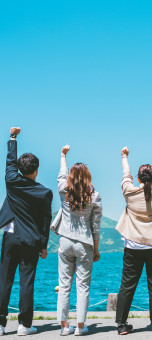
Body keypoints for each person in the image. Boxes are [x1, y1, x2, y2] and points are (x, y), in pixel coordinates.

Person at [115, 146, 152, 336]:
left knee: (127, 285)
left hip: (132, 246)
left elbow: (126, 176)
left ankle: (122, 325)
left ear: (139, 179)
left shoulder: (129, 193)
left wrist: (124, 156)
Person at [0, 127, 53, 336]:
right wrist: (44, 245)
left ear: (20, 169)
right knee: (27, 282)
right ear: (37, 170)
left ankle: (1, 325)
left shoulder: (12, 181)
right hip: (31, 241)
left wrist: (13, 138)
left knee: (4, 281)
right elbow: (45, 221)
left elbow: (9, 162)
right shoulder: (44, 193)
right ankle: (24, 325)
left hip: (11, 238)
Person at [51, 145, 102, 336]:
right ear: (88, 177)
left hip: (65, 241)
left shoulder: (65, 191)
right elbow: (95, 227)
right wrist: (96, 250)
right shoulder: (94, 196)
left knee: (64, 285)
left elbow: (61, 176)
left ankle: (64, 327)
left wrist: (63, 155)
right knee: (82, 287)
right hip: (85, 243)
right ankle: (80, 327)